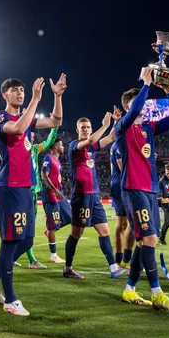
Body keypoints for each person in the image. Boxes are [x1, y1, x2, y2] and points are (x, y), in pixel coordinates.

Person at [0, 74, 66, 316]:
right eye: (15, 90)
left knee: (26, 241)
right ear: (4, 95)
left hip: (27, 187)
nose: (20, 93)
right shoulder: (0, 117)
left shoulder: (27, 119)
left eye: (22, 90)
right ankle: (10, 300)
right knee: (11, 242)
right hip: (10, 187)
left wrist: (57, 96)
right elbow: (17, 128)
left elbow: (55, 121)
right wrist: (35, 100)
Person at [117, 67, 169, 310]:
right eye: (139, 102)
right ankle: (156, 293)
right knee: (150, 238)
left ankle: (129, 289)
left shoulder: (148, 128)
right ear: (128, 106)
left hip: (150, 189)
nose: (144, 105)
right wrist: (146, 83)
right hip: (133, 188)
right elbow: (135, 110)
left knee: (144, 243)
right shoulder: (122, 127)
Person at [63, 112, 126, 279]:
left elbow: (111, 137)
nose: (86, 129)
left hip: (94, 195)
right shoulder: (74, 145)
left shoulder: (92, 148)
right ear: (77, 130)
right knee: (77, 233)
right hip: (81, 196)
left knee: (104, 231)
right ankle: (68, 268)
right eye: (83, 127)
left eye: (88, 127)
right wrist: (104, 125)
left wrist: (117, 122)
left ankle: (114, 268)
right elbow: (91, 140)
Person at [20, 126, 59, 268]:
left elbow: (48, 142)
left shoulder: (34, 149)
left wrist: (55, 126)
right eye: (28, 136)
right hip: (22, 191)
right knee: (23, 226)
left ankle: (19, 257)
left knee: (29, 225)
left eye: (32, 137)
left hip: (33, 192)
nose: (31, 138)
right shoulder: (18, 149)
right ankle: (30, 260)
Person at [41, 140, 72, 263]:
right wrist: (54, 190)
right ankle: (54, 256)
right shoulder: (48, 158)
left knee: (70, 217)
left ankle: (49, 230)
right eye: (61, 144)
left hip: (59, 194)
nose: (63, 147)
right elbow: (44, 175)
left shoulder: (57, 161)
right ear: (55, 146)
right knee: (53, 226)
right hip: (51, 195)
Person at [110, 140, 134, 267]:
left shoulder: (124, 143)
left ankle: (123, 259)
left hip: (122, 186)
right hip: (123, 186)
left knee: (126, 224)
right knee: (128, 224)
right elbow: (122, 166)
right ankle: (122, 260)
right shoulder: (119, 144)